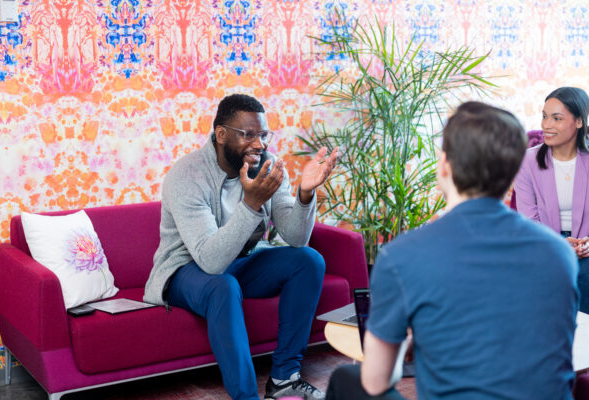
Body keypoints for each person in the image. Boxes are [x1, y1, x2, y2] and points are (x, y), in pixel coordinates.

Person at [326, 101, 578, 399]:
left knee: (347, 378)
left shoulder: (401, 256)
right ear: (512, 174)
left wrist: (405, 345)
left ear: (444, 165)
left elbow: (378, 381)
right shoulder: (559, 253)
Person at [143, 94, 337, 400]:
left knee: (308, 260)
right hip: (184, 268)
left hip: (239, 261)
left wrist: (303, 195)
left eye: (263, 135)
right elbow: (210, 261)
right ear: (221, 134)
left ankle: (285, 377)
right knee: (223, 286)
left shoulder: (267, 165)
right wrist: (252, 203)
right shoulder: (187, 175)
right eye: (248, 135)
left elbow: (296, 237)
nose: (259, 144)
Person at [514, 86, 589, 313]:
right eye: (545, 117)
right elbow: (528, 219)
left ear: (578, 122)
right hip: (543, 245)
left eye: (557, 118)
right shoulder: (527, 161)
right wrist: (558, 244)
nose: (546, 125)